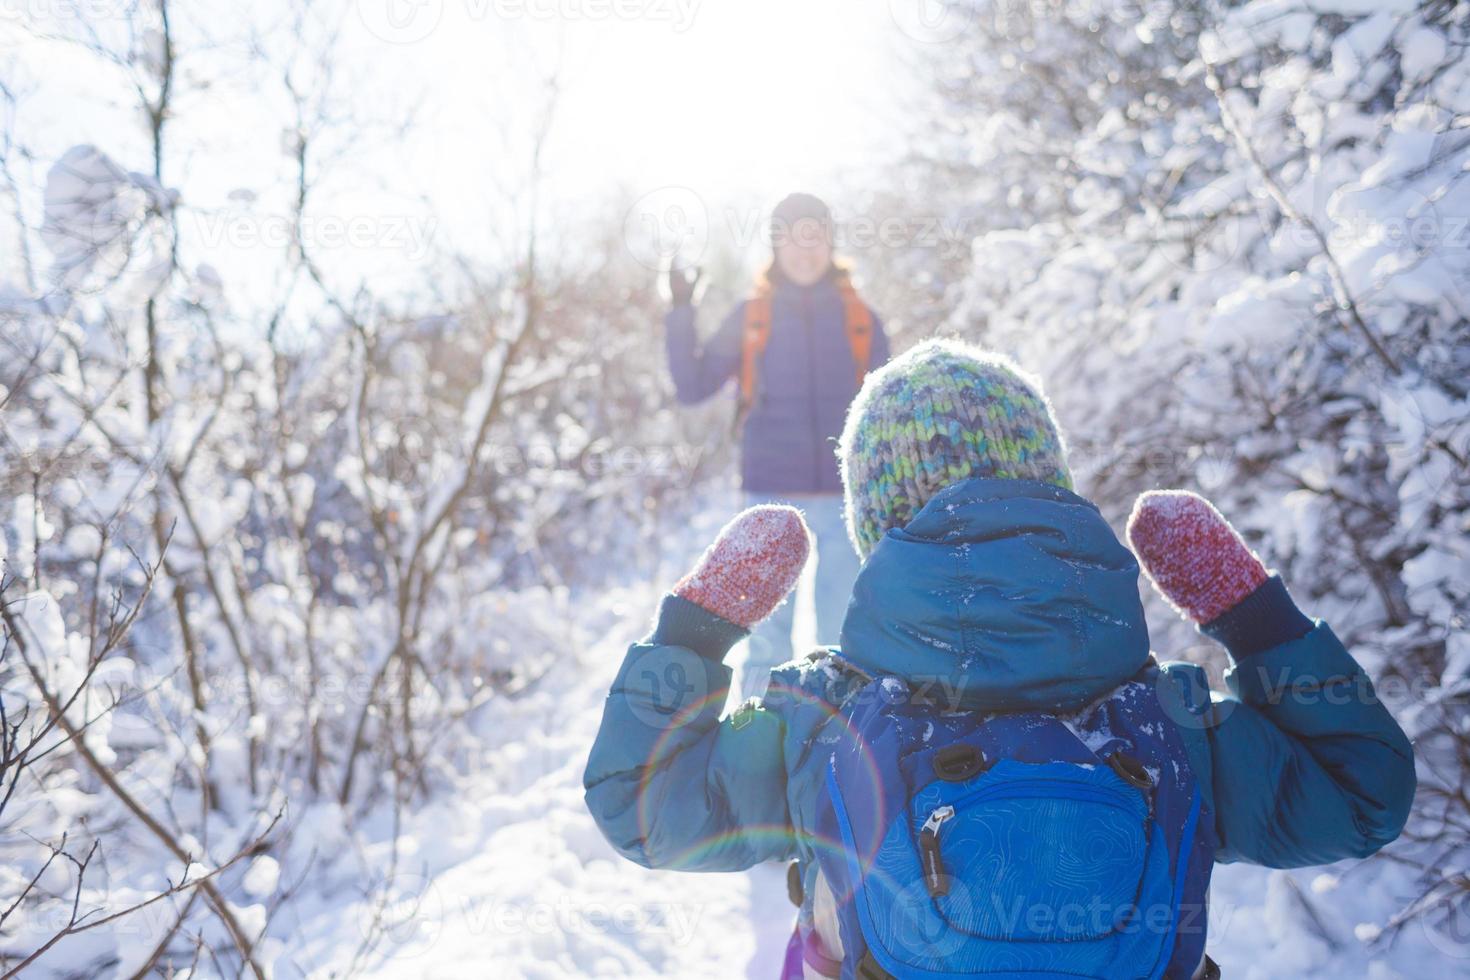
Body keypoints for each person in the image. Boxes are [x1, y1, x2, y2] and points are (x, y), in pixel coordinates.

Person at [584, 339, 1416, 978]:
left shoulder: (822, 720)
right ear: (1052, 483)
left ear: (873, 525)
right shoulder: (1170, 724)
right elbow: (1364, 795)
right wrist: (1255, 618)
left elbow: (643, 807)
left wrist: (698, 629)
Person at [664, 192, 890, 698]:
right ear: (775, 245)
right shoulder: (752, 317)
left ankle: (837, 746)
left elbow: (886, 407)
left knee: (843, 643)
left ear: (831, 243)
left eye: (816, 236)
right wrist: (681, 311)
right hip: (768, 495)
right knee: (765, 643)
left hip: (844, 498)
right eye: (793, 237)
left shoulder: (860, 319)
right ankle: (757, 743)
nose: (804, 250)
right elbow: (693, 385)